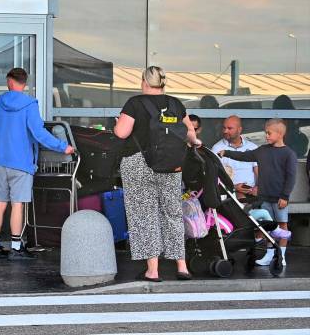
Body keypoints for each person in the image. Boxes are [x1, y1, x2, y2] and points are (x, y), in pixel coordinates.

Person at [113, 66, 199, 281]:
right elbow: (189, 133)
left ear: (143, 81)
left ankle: (153, 270)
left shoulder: (135, 103)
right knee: (172, 213)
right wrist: (195, 142)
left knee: (144, 215)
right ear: (163, 83)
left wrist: (117, 124)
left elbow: (122, 132)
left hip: (139, 164)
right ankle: (182, 266)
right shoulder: (176, 104)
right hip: (171, 165)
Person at [0, 68, 74, 260]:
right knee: (17, 205)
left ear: (9, 81)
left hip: (1, 160)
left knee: (0, 204)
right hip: (21, 163)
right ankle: (16, 247)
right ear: (24, 84)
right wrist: (63, 147)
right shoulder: (29, 104)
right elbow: (39, 133)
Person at [219, 118, 297, 267]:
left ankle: (282, 255)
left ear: (280, 134)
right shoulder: (262, 150)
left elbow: (291, 177)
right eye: (265, 133)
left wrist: (285, 196)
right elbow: (245, 156)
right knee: (267, 225)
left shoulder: (289, 154)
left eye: (269, 133)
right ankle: (269, 254)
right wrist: (226, 153)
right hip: (264, 197)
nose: (266, 136)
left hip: (280, 198)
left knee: (282, 225)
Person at [211, 116, 259, 203]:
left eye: (229, 128)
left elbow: (259, 172)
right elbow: (214, 177)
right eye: (224, 128)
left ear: (239, 130)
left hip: (251, 193)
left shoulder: (252, 147)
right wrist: (234, 187)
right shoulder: (217, 148)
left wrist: (258, 187)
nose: (225, 131)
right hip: (229, 194)